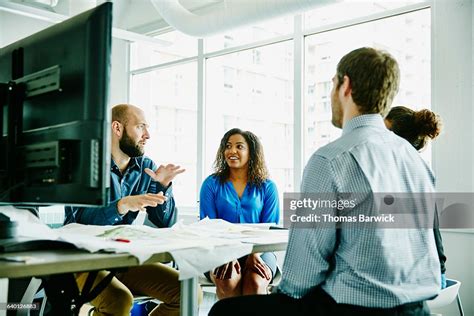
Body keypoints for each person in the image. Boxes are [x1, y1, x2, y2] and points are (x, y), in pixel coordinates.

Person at [209, 47, 440, 316]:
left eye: (332, 84)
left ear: (345, 86)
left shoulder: (330, 160)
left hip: (352, 309)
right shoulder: (415, 161)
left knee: (224, 311)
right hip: (417, 309)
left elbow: (300, 279)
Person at [64, 104, 189, 316]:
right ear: (117, 128)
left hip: (121, 258)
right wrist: (122, 205)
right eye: (141, 127)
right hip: (81, 260)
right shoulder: (86, 164)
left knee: (188, 293)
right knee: (119, 300)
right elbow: (78, 222)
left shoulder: (144, 166)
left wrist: (163, 188)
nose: (147, 135)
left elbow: (164, 222)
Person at [200, 128, 280, 299]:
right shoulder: (211, 184)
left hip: (261, 250)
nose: (232, 151)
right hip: (219, 249)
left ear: (252, 152)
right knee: (226, 280)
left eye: (239, 146)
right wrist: (228, 252)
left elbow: (270, 229)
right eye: (228, 146)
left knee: (255, 283)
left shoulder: (268, 187)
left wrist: (254, 253)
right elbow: (208, 227)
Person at [385, 106, 447, 289]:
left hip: (424, 278)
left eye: (383, 132)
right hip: (437, 272)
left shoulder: (400, 174)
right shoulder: (419, 168)